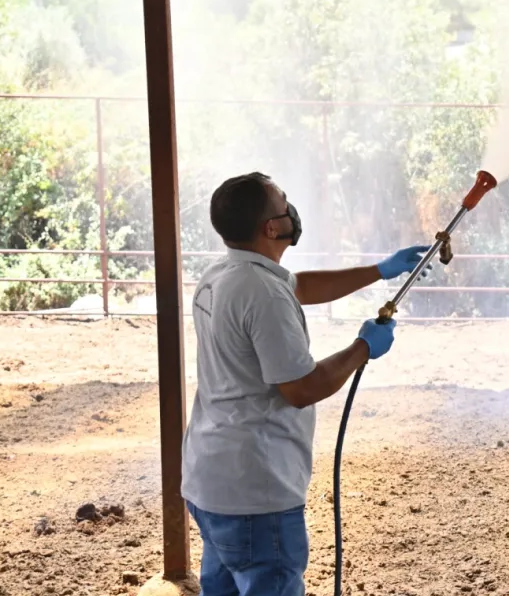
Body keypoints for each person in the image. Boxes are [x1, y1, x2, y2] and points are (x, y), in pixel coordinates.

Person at [182, 172, 430, 596]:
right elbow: (301, 389)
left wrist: (380, 271)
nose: (291, 211)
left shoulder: (222, 274)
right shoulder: (263, 294)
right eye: (284, 205)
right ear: (271, 228)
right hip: (256, 491)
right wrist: (363, 348)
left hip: (211, 482)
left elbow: (301, 286)